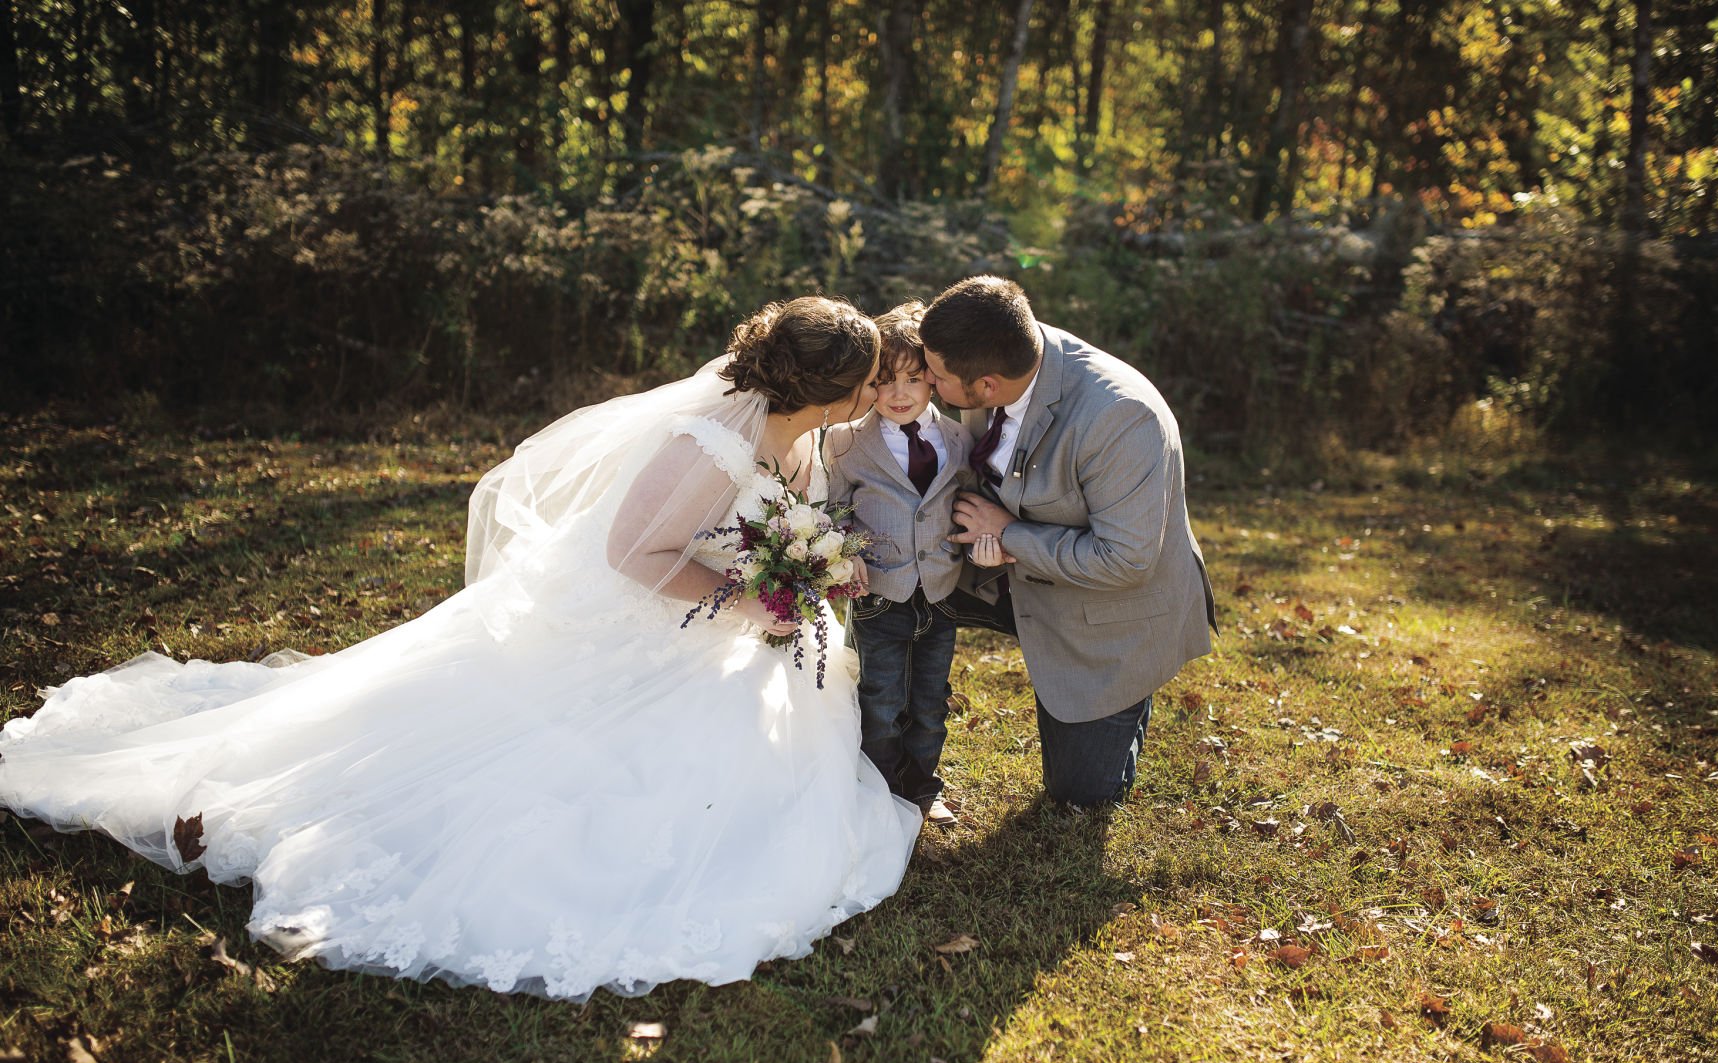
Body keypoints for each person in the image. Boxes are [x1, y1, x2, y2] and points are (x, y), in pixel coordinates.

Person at [0, 296, 922, 1001]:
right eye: (868, 379)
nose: (876, 392)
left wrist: (797, 583)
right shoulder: (705, 444)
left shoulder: (807, 435)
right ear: (829, 387)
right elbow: (632, 554)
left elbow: (799, 511)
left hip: (723, 634)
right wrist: (748, 597)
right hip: (631, 630)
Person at [918, 276, 1216, 809]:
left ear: (986, 386)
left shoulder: (1120, 418)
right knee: (901, 594)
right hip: (1013, 576)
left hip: (1110, 611)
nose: (927, 382)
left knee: (1078, 794)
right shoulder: (1010, 350)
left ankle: (1130, 692)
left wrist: (1008, 534)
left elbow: (1125, 560)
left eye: (936, 377)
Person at [824, 302, 999, 829]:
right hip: (878, 593)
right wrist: (847, 548)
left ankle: (922, 788)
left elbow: (970, 504)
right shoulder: (847, 442)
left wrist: (981, 543)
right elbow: (831, 509)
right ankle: (877, 790)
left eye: (913, 379)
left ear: (933, 382)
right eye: (884, 381)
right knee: (879, 699)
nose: (898, 394)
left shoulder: (959, 439)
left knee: (930, 701)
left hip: (941, 593)